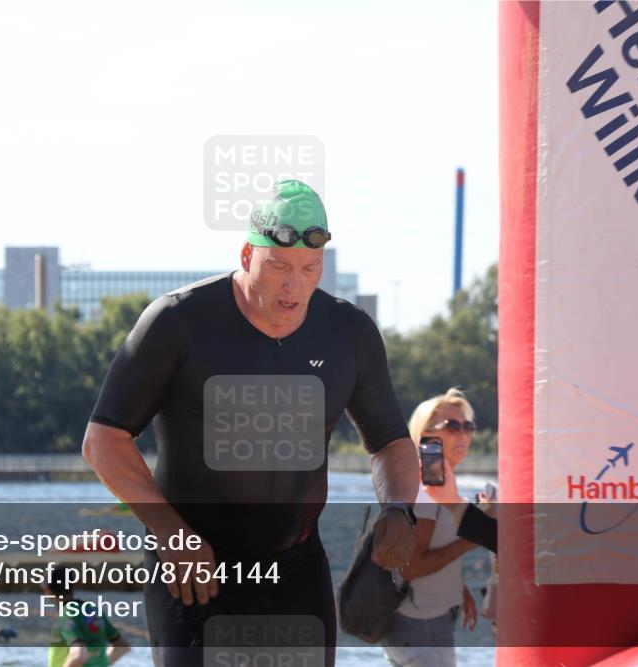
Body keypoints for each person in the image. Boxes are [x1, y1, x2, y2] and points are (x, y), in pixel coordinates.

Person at [82, 180, 420, 666]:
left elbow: (390, 442)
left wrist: (398, 509)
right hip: (193, 570)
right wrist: (171, 533)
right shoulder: (178, 322)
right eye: (279, 266)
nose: (294, 285)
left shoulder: (349, 332)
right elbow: (104, 439)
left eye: (310, 269)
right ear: (246, 255)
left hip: (295, 570)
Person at [382, 388, 482, 667]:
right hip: (419, 623)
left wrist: (456, 586)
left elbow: (424, 547)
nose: (463, 434)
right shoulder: (427, 490)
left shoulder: (432, 482)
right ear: (425, 436)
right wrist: (472, 539)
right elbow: (411, 566)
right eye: (452, 426)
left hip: (411, 621)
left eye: (468, 426)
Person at [43, 564, 130, 667]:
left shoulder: (66, 616)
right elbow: (122, 646)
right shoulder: (93, 611)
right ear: (73, 585)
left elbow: (79, 655)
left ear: (47, 590)